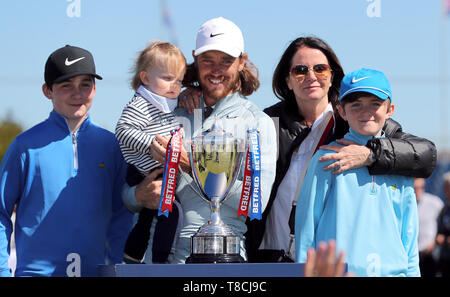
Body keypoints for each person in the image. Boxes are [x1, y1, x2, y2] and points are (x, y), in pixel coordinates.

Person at [179, 36, 436, 263]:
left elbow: (425, 155)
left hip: (325, 261)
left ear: (332, 75)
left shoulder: (357, 118)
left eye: (320, 69)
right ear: (288, 80)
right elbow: (220, 141)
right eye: (300, 70)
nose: (311, 76)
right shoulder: (265, 122)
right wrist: (196, 95)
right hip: (269, 255)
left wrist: (370, 154)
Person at [123, 17, 277, 264]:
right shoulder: (172, 111)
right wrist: (136, 196)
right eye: (207, 60)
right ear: (195, 58)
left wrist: (193, 167)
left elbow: (255, 204)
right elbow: (128, 191)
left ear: (241, 62)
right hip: (160, 260)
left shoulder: (258, 122)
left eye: (226, 60)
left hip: (225, 259)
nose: (216, 70)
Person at [0, 45, 133, 277]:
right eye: (66, 85)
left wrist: (117, 269)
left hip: (96, 274)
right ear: (47, 90)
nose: (78, 94)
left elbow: (122, 215)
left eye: (85, 84)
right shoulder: (24, 147)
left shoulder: (112, 145)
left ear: (95, 87)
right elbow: (1, 213)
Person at [295, 68, 420, 277]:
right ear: (342, 111)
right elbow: (307, 226)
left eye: (375, 104)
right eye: (356, 105)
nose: (366, 112)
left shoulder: (400, 164)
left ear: (390, 110)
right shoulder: (326, 159)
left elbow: (409, 231)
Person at [115, 41, 186, 264]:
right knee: (171, 211)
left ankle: (132, 255)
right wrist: (149, 144)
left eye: (179, 80)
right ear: (145, 78)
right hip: (142, 171)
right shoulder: (141, 104)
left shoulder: (168, 103)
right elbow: (122, 130)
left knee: (147, 218)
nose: (174, 85)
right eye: (167, 78)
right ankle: (162, 261)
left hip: (158, 171)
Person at [415, 177, 444, 277]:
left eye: (421, 187)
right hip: (413, 253)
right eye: (415, 188)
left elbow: (444, 222)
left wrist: (435, 241)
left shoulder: (434, 202)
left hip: (430, 252)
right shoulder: (405, 203)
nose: (418, 191)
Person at [436, 172, 450, 277]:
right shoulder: (445, 209)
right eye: (445, 187)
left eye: (448, 187)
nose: (446, 190)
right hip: (445, 257)